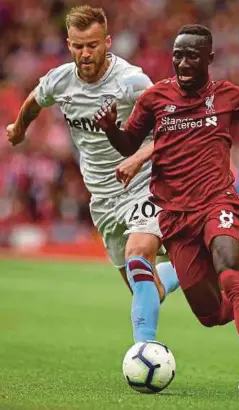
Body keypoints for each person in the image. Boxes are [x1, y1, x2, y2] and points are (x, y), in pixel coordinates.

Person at [94, 24, 239, 396]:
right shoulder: (155, 98)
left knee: (230, 273)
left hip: (218, 202)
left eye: (192, 55)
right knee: (212, 315)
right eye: (178, 54)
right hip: (175, 217)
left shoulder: (227, 96)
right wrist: (110, 130)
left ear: (209, 59)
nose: (182, 62)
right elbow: (129, 142)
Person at [6, 5, 179, 345]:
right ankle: (188, 270)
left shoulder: (132, 82)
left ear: (108, 42)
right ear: (69, 44)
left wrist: (138, 158)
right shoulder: (60, 80)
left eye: (93, 45)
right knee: (146, 288)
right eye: (78, 46)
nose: (85, 53)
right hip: (101, 198)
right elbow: (35, 100)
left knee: (138, 256)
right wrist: (19, 129)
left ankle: (145, 352)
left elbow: (168, 128)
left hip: (143, 185)